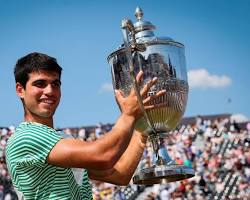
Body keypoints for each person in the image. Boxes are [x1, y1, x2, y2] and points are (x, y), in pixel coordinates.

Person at [5, 52, 165, 199]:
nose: (49, 91)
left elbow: (120, 174)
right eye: (40, 84)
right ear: (20, 90)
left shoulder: (63, 139)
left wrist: (142, 129)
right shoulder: (24, 138)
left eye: (55, 84)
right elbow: (104, 156)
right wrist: (129, 114)